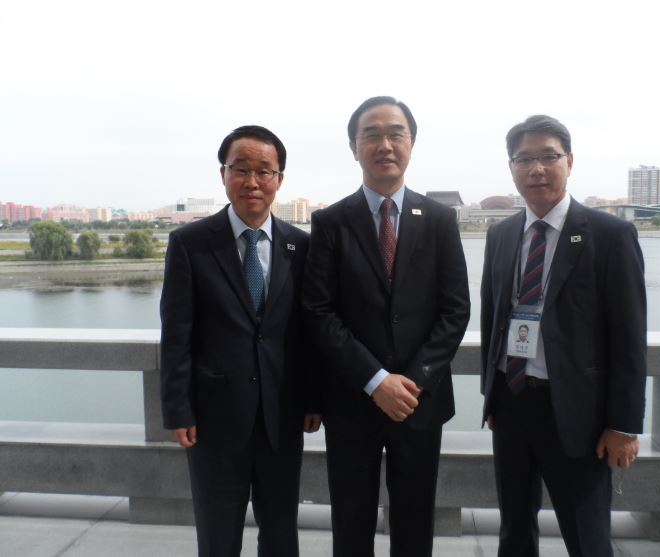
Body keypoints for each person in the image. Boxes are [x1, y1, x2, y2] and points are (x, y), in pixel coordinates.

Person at [302, 96, 471, 557]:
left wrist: (411, 382)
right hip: (352, 400)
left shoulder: (439, 220)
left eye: (396, 133)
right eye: (371, 134)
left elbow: (455, 310)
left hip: (419, 401)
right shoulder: (331, 222)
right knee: (351, 520)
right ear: (354, 147)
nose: (385, 145)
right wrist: (376, 381)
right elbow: (319, 311)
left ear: (411, 143)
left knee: (415, 520)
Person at [480, 115, 647, 557]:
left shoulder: (610, 236)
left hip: (577, 412)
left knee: (586, 534)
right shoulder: (501, 235)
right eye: (524, 159)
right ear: (512, 168)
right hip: (513, 403)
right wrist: (492, 396)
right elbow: (493, 316)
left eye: (548, 156)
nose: (536, 169)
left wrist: (623, 425)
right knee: (514, 528)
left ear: (569, 162)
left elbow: (629, 337)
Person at [160, 125, 321, 557]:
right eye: (241, 169)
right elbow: (176, 334)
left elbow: (308, 333)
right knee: (218, 533)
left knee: (281, 531)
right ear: (223, 174)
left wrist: (312, 399)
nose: (252, 181)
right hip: (213, 418)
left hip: (281, 416)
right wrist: (178, 408)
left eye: (264, 171)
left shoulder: (301, 246)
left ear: (279, 179)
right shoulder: (190, 244)